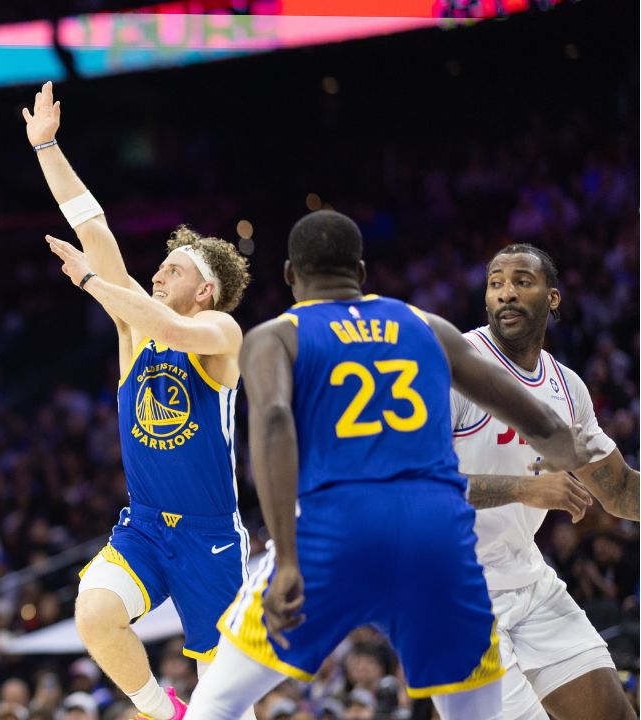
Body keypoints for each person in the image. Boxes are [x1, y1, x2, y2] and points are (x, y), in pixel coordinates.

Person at [178, 210, 593, 720]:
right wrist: (564, 454)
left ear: (290, 274)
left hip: (337, 531)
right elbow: (542, 423)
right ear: (361, 271)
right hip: (436, 536)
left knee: (217, 701)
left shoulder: (277, 336)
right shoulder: (427, 326)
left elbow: (275, 423)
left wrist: (286, 558)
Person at [30, 83, 253, 720]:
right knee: (94, 613)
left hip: (211, 537)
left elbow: (171, 327)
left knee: (228, 700)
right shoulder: (135, 329)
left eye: (172, 270)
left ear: (205, 290)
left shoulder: (220, 333)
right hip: (147, 526)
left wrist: (94, 282)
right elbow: (92, 225)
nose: (155, 274)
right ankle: (161, 710)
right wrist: (46, 147)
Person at [453, 243, 638, 720]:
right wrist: (523, 489)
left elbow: (619, 490)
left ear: (552, 298)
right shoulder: (457, 367)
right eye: (496, 284)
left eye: (522, 282)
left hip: (527, 579)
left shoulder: (566, 387)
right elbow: (411, 485)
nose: (506, 293)